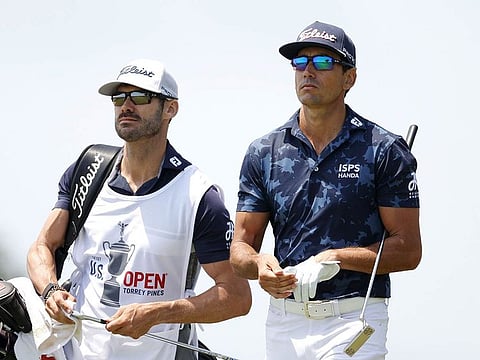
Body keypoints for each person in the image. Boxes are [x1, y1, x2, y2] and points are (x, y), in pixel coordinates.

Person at [26, 58, 251, 360]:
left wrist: (157, 313)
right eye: (119, 97)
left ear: (170, 109)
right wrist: (50, 291)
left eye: (140, 96)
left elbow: (236, 296)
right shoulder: (89, 169)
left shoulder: (199, 195)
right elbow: (43, 246)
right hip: (74, 351)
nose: (126, 105)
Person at [230, 21, 421, 360]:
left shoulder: (384, 149)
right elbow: (241, 248)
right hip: (284, 322)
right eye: (300, 62)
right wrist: (260, 264)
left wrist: (335, 258)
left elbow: (407, 251)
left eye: (322, 63)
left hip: (355, 317)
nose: (308, 72)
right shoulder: (263, 152)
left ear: (350, 77)